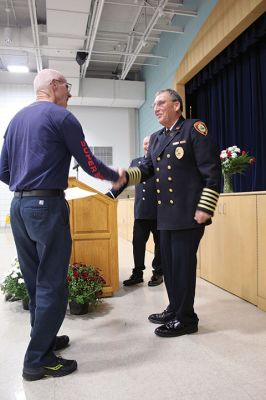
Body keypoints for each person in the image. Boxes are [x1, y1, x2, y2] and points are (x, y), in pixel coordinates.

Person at [0, 69, 126, 381]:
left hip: (19, 206)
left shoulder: (15, 120)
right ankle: (37, 360)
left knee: (35, 282)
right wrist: (116, 176)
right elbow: (89, 163)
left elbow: (2, 169)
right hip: (47, 207)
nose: (69, 94)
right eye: (67, 87)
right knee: (53, 284)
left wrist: (25, 187)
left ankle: (44, 337)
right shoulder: (61, 117)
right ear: (54, 86)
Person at [125, 88, 221, 337]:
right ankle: (174, 308)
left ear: (176, 106)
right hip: (164, 217)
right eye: (154, 105)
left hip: (188, 215)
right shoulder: (157, 137)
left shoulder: (193, 129)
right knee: (169, 266)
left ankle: (187, 319)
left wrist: (205, 207)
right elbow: (146, 169)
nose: (156, 108)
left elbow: (212, 172)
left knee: (182, 268)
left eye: (161, 103)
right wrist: (125, 176)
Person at [107, 136, 163, 287]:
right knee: (137, 242)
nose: (147, 146)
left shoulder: (160, 161)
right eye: (145, 143)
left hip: (159, 211)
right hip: (141, 211)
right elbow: (125, 182)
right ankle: (137, 273)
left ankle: (158, 272)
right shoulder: (135, 162)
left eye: (149, 143)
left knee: (160, 244)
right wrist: (111, 194)